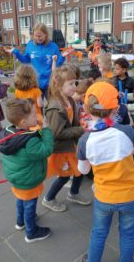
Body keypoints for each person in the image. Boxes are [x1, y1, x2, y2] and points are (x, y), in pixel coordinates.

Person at [77, 81, 134, 262]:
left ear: (87, 108)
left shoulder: (85, 140)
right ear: (116, 109)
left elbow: (83, 170)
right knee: (128, 234)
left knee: (99, 233)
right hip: (130, 195)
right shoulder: (126, 131)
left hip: (104, 196)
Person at [0, 98, 53, 243]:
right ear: (23, 122)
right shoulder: (30, 141)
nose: (37, 116)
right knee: (30, 204)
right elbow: (46, 150)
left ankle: (20, 222)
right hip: (29, 179)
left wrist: (36, 129)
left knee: (21, 200)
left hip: (17, 178)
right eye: (34, 115)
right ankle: (31, 232)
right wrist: (46, 130)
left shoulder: (8, 132)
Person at [42, 66, 91, 212]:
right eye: (70, 83)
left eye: (75, 83)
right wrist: (82, 129)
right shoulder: (55, 108)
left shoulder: (69, 100)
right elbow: (57, 133)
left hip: (72, 144)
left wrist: (82, 121)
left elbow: (72, 120)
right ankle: (48, 199)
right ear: (58, 85)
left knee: (81, 169)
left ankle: (73, 193)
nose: (74, 87)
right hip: (62, 148)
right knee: (64, 176)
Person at [7, 23, 72, 97]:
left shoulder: (53, 46)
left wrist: (62, 56)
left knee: (52, 106)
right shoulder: (30, 45)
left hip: (50, 82)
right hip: (35, 82)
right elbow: (25, 60)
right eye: (35, 36)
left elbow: (56, 65)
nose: (37, 38)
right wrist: (15, 52)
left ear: (45, 34)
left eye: (40, 36)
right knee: (37, 107)